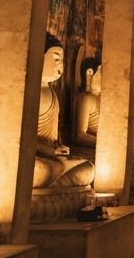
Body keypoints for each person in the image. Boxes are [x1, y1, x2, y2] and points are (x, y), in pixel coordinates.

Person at [34, 36, 95, 188]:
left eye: (61, 60)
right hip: (37, 157)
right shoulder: (29, 91)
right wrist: (50, 151)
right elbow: (22, 137)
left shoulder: (52, 91)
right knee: (42, 170)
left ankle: (55, 181)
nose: (60, 64)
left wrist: (59, 147)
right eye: (56, 59)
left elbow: (55, 136)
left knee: (88, 168)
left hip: (53, 156)